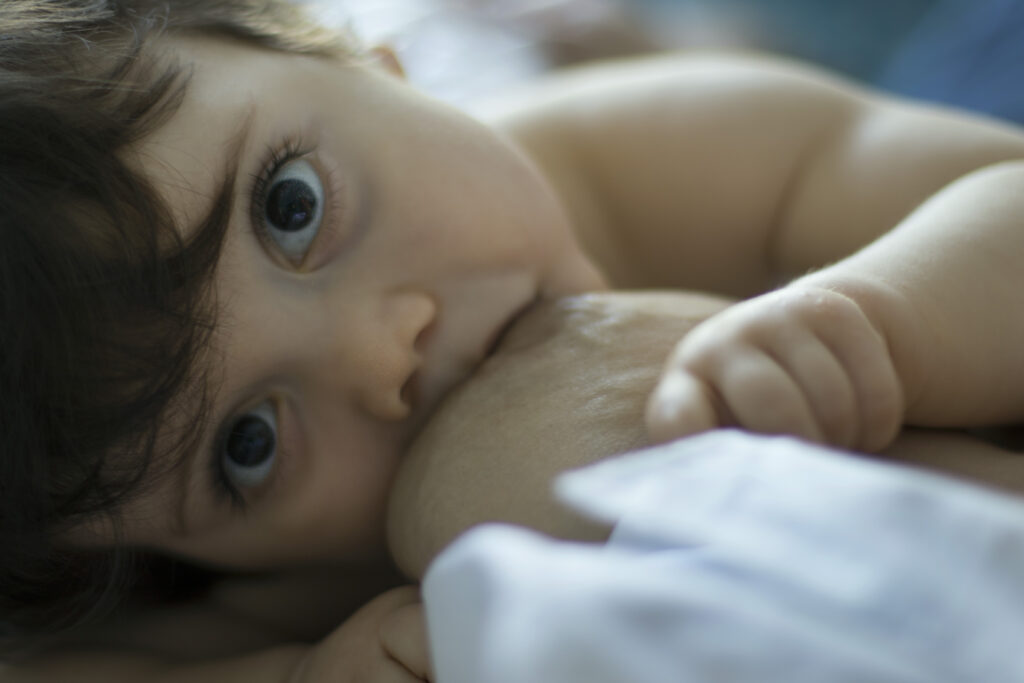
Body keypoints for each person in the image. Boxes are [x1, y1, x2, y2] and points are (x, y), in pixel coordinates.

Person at [3, 0, 1024, 679]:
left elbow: (1001, 186)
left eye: (291, 205)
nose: (381, 355)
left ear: (355, 50)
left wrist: (885, 319)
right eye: (249, 443)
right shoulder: (277, 583)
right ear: (153, 551)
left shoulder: (639, 149)